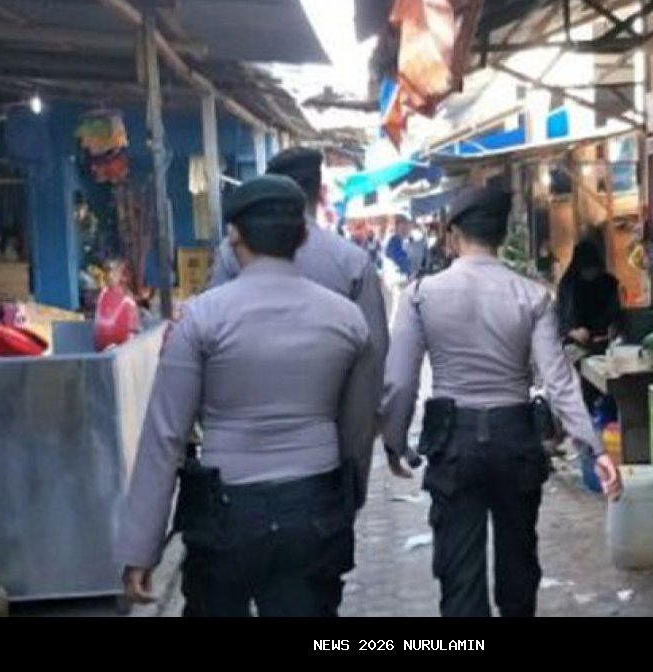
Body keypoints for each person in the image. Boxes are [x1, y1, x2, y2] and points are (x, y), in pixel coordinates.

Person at [117, 175, 378, 617]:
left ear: (233, 236)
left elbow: (166, 436)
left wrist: (142, 545)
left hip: (224, 515)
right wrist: (345, 503)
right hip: (312, 508)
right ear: (301, 237)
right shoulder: (347, 320)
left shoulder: (202, 319)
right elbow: (357, 427)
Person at [378, 184, 622, 618]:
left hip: (453, 442)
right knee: (518, 563)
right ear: (502, 233)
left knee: (459, 572)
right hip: (516, 439)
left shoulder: (420, 295)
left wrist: (395, 441)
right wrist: (594, 447)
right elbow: (559, 378)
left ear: (452, 234)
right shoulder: (532, 295)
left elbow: (400, 382)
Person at [209, 147, 388, 416]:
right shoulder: (352, 261)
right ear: (319, 193)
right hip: (331, 418)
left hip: (248, 416)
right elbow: (374, 350)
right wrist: (359, 435)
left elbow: (210, 336)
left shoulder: (231, 252)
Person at [556, 240, 623, 356]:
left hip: (606, 344)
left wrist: (614, 327)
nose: (591, 273)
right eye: (587, 269)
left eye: (594, 269)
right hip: (575, 347)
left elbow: (615, 313)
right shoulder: (568, 285)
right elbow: (562, 318)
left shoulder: (608, 283)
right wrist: (573, 332)